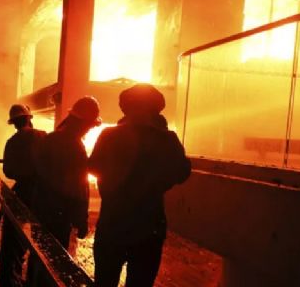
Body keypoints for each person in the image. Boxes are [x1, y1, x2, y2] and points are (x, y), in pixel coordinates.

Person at [88, 84, 191, 287]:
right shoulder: (167, 139)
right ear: (155, 110)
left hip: (112, 224)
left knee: (104, 282)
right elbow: (182, 172)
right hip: (149, 227)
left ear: (125, 108)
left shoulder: (109, 135)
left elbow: (92, 166)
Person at [32, 96, 101, 248]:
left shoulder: (50, 138)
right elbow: (79, 186)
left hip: (42, 208)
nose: (89, 129)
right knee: (54, 259)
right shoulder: (75, 146)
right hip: (60, 214)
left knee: (39, 254)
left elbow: (39, 171)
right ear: (82, 123)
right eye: (90, 125)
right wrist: (81, 219)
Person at [0, 104, 46, 287]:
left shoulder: (11, 142)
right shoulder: (43, 136)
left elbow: (8, 171)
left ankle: (11, 280)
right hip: (41, 195)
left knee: (14, 242)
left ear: (14, 123)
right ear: (28, 118)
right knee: (40, 242)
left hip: (21, 194)